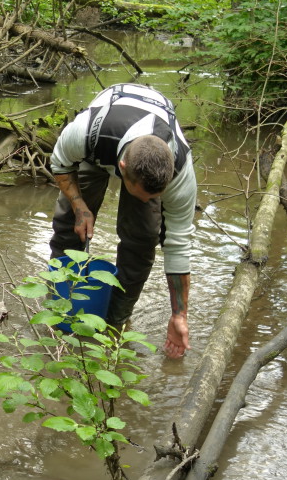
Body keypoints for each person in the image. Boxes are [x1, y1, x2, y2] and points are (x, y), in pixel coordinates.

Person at [49, 83, 197, 358]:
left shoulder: (179, 173)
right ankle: (59, 309)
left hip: (143, 156)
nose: (145, 201)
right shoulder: (86, 133)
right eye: (141, 195)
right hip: (100, 148)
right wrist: (80, 207)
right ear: (122, 169)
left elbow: (178, 245)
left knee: (143, 239)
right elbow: (59, 164)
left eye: (154, 196)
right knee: (70, 228)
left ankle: (116, 322)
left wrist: (180, 315)